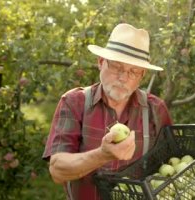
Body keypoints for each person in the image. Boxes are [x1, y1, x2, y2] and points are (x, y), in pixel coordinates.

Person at [42, 23, 172, 200]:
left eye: (133, 72)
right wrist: (102, 155)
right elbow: (57, 170)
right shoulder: (75, 102)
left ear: (142, 76)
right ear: (101, 62)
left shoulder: (156, 109)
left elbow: (169, 165)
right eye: (117, 67)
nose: (123, 77)